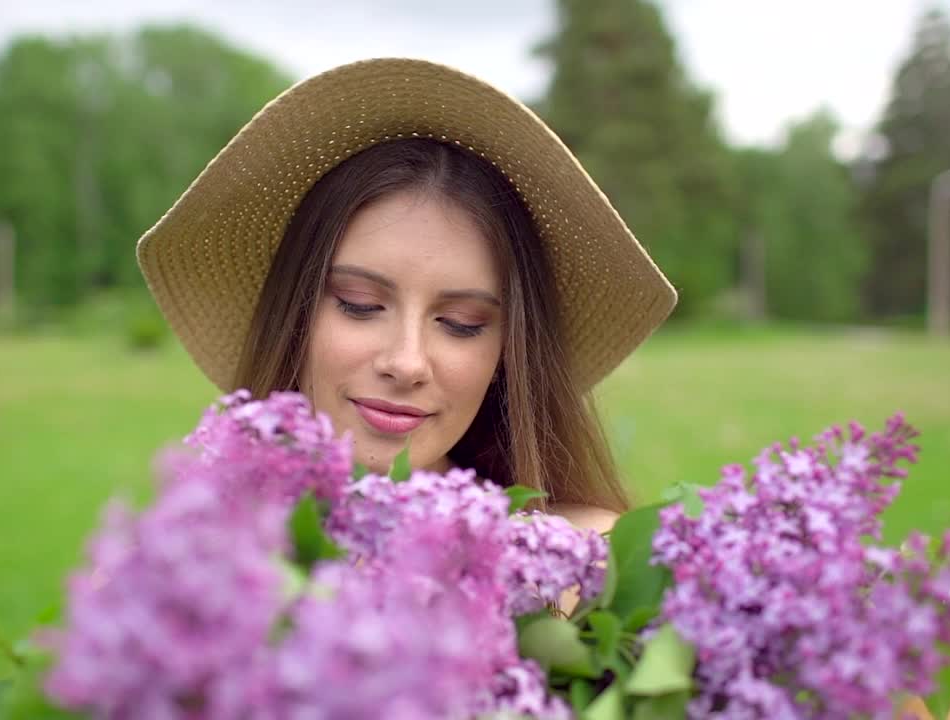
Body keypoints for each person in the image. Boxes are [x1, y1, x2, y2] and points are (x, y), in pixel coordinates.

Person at [136, 58, 677, 535]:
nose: (406, 363)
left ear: (507, 353)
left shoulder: (578, 568)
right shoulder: (192, 564)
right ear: (295, 313)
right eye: (359, 303)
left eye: (462, 323)